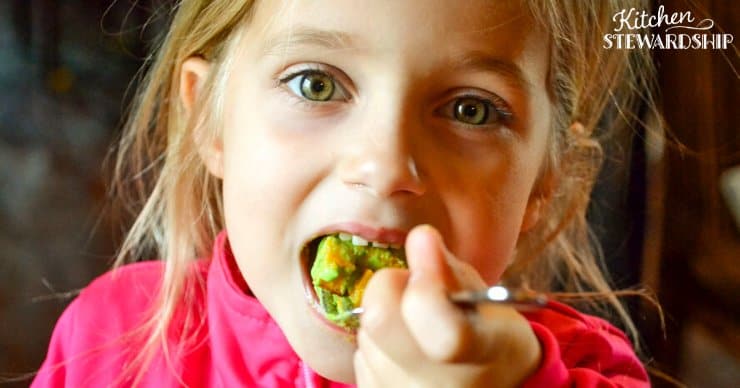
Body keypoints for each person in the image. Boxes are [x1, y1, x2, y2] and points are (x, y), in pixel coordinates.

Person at [33, 0, 661, 386]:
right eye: (316, 85)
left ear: (541, 186)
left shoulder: (581, 374)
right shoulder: (109, 342)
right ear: (209, 122)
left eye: (470, 109)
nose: (386, 165)